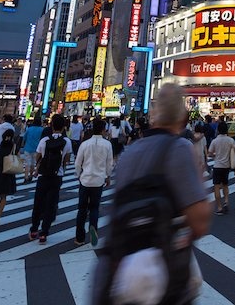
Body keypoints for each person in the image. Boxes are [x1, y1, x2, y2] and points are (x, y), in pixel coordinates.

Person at [90, 83, 211, 305]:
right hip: (161, 273)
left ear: (154, 115)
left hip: (120, 269)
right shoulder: (180, 148)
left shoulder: (130, 152)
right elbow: (200, 222)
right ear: (183, 117)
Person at [29, 114, 72, 244]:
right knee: (50, 204)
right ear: (64, 127)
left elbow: (38, 156)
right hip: (56, 176)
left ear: (52, 125)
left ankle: (34, 229)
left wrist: (38, 168)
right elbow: (66, 160)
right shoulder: (67, 142)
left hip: (43, 175)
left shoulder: (44, 140)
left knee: (38, 203)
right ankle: (44, 233)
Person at [74, 117, 113, 246]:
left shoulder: (85, 144)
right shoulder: (107, 144)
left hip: (85, 179)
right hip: (98, 180)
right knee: (95, 208)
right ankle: (93, 229)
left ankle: (79, 237)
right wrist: (108, 176)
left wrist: (78, 175)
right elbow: (109, 163)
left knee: (82, 209)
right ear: (103, 130)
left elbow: (78, 162)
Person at [207, 122, 234, 214]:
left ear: (218, 130)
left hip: (217, 165)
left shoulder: (215, 141)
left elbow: (210, 152)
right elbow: (234, 150)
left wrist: (215, 155)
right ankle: (226, 201)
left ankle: (219, 207)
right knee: (225, 185)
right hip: (226, 166)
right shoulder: (230, 140)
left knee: (217, 187)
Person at [21, 116, 45, 184]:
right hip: (37, 149)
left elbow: (24, 137)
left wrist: (22, 144)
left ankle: (25, 177)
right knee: (33, 163)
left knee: (27, 163)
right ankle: (31, 175)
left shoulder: (29, 129)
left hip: (27, 148)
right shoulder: (42, 129)